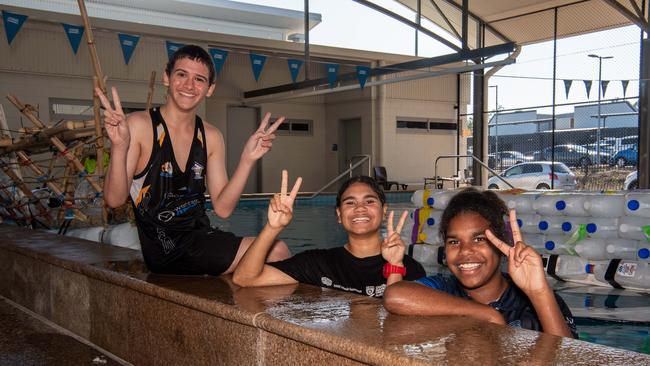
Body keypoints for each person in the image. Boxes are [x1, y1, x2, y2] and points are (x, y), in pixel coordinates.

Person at [97, 45, 290, 276]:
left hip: (202, 238)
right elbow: (114, 199)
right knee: (276, 251)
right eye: (181, 75)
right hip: (166, 250)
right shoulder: (139, 126)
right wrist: (119, 147)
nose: (189, 86)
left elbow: (223, 208)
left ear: (209, 89)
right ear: (166, 77)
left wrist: (247, 159)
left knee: (269, 255)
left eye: (199, 79)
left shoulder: (211, 136)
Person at [383, 188, 577, 338]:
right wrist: (486, 314)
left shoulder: (533, 302)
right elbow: (395, 295)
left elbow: (570, 360)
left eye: (478, 239)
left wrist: (539, 293)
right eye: (454, 242)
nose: (465, 251)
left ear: (502, 244)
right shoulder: (443, 289)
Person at [233, 171, 426, 297]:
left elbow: (402, 322)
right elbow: (245, 278)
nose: (360, 209)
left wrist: (394, 266)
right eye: (350, 203)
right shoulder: (318, 263)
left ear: (384, 210)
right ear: (339, 215)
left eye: (369, 202)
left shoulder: (410, 269)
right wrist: (272, 228)